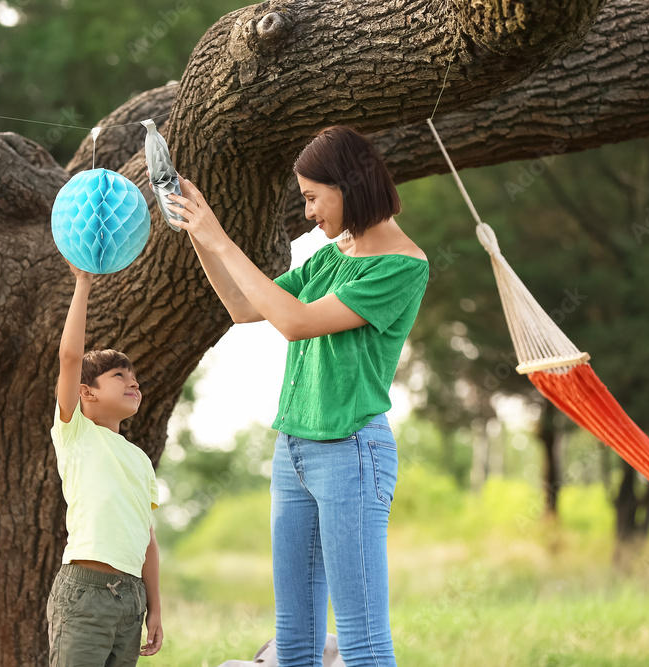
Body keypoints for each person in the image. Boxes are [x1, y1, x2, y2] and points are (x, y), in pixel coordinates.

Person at [167, 125, 429, 667]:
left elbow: (296, 322)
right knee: (295, 638)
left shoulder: (402, 266)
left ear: (349, 185)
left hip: (353, 452)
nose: (308, 212)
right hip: (295, 451)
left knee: (361, 639)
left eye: (313, 197)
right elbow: (243, 306)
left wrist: (221, 237)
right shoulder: (334, 255)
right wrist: (197, 231)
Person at [46, 259, 164, 666]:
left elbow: (147, 540)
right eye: (119, 375)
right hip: (86, 594)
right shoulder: (74, 433)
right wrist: (83, 284)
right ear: (86, 392)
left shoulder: (140, 460)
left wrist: (155, 609)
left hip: (130, 600)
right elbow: (68, 356)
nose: (133, 382)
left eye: (135, 378)